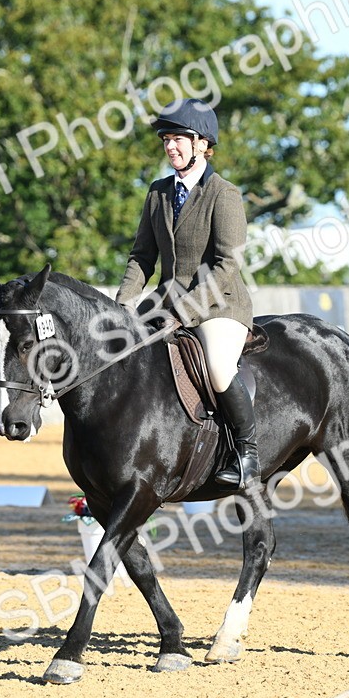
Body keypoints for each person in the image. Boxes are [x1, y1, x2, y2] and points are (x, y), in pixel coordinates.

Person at [114, 98, 258, 489]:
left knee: (217, 367)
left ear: (202, 144)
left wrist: (187, 311)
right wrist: (124, 303)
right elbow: (141, 256)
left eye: (179, 138)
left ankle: (246, 452)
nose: (170, 146)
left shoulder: (223, 193)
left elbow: (228, 264)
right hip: (164, 301)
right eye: (166, 139)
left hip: (218, 305)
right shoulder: (158, 192)